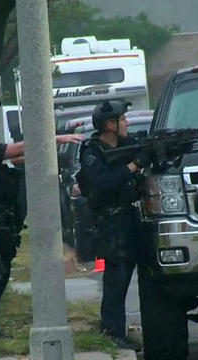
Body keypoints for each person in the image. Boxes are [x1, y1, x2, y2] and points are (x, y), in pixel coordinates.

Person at [0, 95, 83, 337]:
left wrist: (50, 152)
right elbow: (14, 150)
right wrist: (51, 139)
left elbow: (16, 157)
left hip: (1, 225)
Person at [77, 100, 147, 351]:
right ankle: (111, 330)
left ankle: (121, 329)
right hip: (108, 222)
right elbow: (100, 183)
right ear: (110, 124)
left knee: (131, 275)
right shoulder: (92, 151)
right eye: (123, 119)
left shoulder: (127, 145)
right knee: (116, 277)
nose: (127, 123)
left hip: (130, 219)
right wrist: (132, 166)